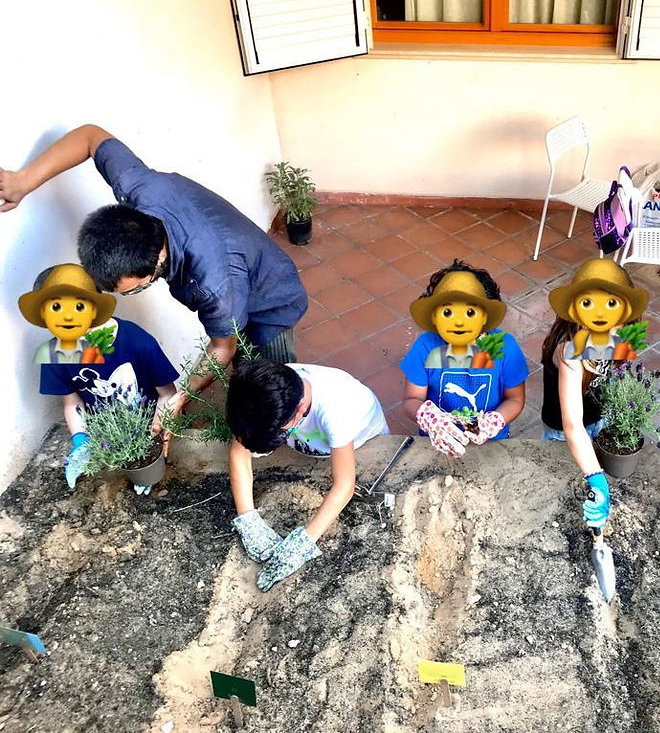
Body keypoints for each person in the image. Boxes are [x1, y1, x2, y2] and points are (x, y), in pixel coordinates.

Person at [0, 124, 308, 440]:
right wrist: (23, 181)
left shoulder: (212, 283)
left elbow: (222, 347)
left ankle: (280, 438)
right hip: (236, 270)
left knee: (272, 397)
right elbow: (91, 136)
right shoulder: (139, 188)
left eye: (134, 288)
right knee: (242, 369)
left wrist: (179, 399)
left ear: (157, 260)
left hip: (271, 298)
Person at [226, 360, 389, 592]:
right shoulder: (263, 390)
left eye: (281, 431)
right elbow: (239, 450)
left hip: (361, 441)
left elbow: (344, 485)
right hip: (313, 441)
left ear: (301, 408)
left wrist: (303, 543)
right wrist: (248, 519)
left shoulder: (336, 411)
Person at [18, 264, 179, 492]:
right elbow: (72, 401)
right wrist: (80, 441)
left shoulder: (137, 341)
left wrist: (154, 441)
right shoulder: (58, 352)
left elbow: (168, 394)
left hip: (147, 426)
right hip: (107, 433)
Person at [543, 258, 649, 530]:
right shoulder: (568, 351)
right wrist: (597, 479)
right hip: (563, 430)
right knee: (565, 483)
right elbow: (572, 426)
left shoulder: (620, 334)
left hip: (598, 418)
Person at [400, 260, 528, 457]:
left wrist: (494, 421)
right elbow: (412, 399)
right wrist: (430, 418)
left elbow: (515, 399)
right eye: (448, 312)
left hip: (491, 441)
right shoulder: (425, 347)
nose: (459, 322)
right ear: (435, 316)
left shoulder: (504, 347)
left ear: (485, 317)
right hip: (439, 440)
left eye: (469, 312)